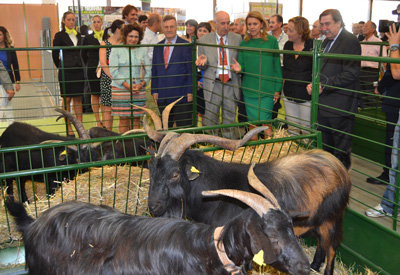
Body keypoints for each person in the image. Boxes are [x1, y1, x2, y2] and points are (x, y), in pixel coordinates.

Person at [306, 9, 361, 170]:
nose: (324, 28)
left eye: (327, 24)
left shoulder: (349, 40)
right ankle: (328, 179)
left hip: (340, 104)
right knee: (325, 147)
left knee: (341, 149)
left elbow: (352, 73)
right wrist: (314, 83)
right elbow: (320, 70)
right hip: (324, 103)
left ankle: (341, 180)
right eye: (322, 24)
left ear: (339, 22)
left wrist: (325, 85)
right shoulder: (325, 42)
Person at [366, 23, 400, 217]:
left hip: (395, 100)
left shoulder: (394, 46)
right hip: (394, 101)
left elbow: (395, 73)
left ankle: (388, 206)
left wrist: (394, 46)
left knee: (396, 157)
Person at [231, 11, 282, 137]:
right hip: (249, 89)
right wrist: (238, 68)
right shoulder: (244, 43)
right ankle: (254, 153)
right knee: (252, 124)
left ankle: (271, 151)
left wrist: (277, 89)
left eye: (255, 24)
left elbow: (276, 66)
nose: (252, 27)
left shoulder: (271, 41)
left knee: (266, 123)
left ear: (261, 25)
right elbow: (241, 66)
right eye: (249, 24)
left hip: (267, 89)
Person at [196, 11, 242, 138]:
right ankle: (211, 145)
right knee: (211, 117)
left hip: (231, 84)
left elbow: (241, 61)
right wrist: (202, 63)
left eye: (228, 23)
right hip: (212, 84)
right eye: (222, 23)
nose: (226, 26)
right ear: (215, 23)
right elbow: (202, 64)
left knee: (230, 117)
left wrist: (239, 68)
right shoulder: (204, 40)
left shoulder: (237, 39)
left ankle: (228, 146)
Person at [151, 15, 193, 128]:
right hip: (163, 95)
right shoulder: (157, 47)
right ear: (162, 28)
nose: (169, 29)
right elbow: (154, 70)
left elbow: (190, 70)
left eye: (171, 27)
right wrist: (154, 91)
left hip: (181, 95)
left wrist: (190, 91)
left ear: (176, 28)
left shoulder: (185, 45)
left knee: (184, 128)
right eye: (166, 27)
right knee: (165, 128)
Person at [109, 23, 150, 133]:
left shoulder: (142, 50)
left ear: (140, 37)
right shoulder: (116, 49)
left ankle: (135, 146)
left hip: (138, 89)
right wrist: (127, 85)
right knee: (124, 120)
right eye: (131, 36)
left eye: (136, 36)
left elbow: (149, 70)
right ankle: (122, 147)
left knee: (137, 119)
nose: (133, 39)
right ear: (125, 36)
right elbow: (113, 70)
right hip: (121, 89)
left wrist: (141, 84)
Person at [52, 11, 85, 137]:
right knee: (67, 99)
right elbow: (55, 54)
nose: (71, 22)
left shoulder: (79, 35)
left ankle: (79, 126)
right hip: (66, 72)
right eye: (69, 19)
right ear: (64, 21)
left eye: (73, 19)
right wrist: (61, 66)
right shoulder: (59, 35)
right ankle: (69, 128)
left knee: (78, 99)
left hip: (79, 71)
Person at [282, 16, 313, 131]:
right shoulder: (287, 45)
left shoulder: (312, 45)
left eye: (290, 30)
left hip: (306, 94)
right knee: (292, 127)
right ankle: (294, 148)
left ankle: (306, 148)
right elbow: (285, 68)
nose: (287, 33)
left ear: (300, 32)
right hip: (289, 92)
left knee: (306, 128)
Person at [99, 19, 124, 131]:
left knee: (123, 113)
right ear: (117, 29)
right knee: (108, 112)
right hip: (108, 81)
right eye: (123, 29)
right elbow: (103, 63)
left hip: (122, 82)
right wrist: (113, 77)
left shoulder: (123, 44)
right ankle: (107, 140)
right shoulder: (104, 43)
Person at [81, 15, 103, 127]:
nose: (96, 24)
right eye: (94, 22)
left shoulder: (107, 37)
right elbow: (83, 54)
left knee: (105, 95)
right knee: (95, 94)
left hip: (105, 69)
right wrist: (90, 65)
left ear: (102, 23)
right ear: (92, 24)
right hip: (92, 69)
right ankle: (98, 121)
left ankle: (105, 119)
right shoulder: (87, 38)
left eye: (98, 21)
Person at [359, 21, 387, 108]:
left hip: (372, 72)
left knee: (370, 94)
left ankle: (373, 116)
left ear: (373, 29)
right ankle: (364, 114)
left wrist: (384, 76)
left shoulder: (379, 42)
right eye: (363, 26)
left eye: (366, 26)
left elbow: (384, 60)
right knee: (361, 94)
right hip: (361, 70)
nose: (364, 28)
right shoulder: (361, 43)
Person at [196, 22, 212, 120]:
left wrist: (202, 81)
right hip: (195, 78)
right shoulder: (193, 45)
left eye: (205, 31)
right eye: (200, 30)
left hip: (206, 79)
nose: (202, 33)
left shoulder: (212, 47)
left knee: (206, 109)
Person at [0, 26, 20, 93]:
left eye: (0, 35)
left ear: (4, 36)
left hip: (8, 80)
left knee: (8, 100)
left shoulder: (10, 49)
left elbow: (15, 65)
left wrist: (17, 82)